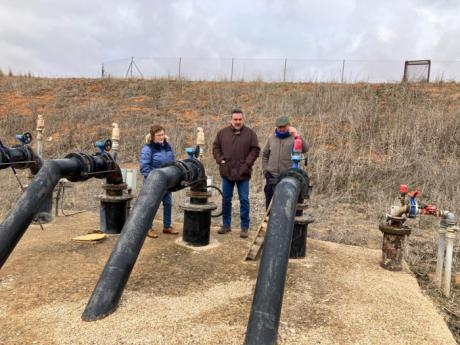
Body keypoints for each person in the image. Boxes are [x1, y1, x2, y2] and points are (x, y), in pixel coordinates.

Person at [212, 109, 260, 238]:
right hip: (227, 172)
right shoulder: (222, 133)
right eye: (235, 119)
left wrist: (247, 164)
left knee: (244, 200)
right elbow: (216, 147)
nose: (238, 122)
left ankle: (245, 227)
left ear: (243, 119)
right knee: (226, 199)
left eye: (240, 119)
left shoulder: (250, 134)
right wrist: (220, 160)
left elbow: (255, 150)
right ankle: (226, 225)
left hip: (243, 173)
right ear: (231, 120)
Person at [140, 125, 179, 238]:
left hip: (167, 182)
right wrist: (155, 179)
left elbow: (172, 162)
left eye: (162, 134)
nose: (161, 137)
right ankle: (148, 228)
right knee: (151, 206)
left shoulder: (167, 146)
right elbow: (144, 168)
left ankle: (167, 227)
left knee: (168, 204)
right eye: (159, 135)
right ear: (153, 137)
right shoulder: (147, 149)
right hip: (153, 183)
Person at [262, 116, 308, 209]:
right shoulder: (271, 138)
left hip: (287, 176)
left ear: (289, 126)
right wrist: (265, 170)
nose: (282, 129)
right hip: (271, 175)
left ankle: (284, 222)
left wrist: (296, 134)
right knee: (269, 203)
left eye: (284, 126)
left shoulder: (294, 138)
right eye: (280, 127)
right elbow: (265, 154)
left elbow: (305, 149)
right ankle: (269, 222)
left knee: (285, 203)